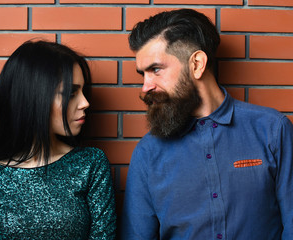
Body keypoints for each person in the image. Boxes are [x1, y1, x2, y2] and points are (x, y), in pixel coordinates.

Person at [121, 8, 293, 240]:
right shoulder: (147, 153)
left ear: (197, 64)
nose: (145, 87)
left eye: (156, 69)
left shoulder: (272, 130)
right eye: (143, 74)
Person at [0, 40, 116, 239]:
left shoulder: (90, 164)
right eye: (71, 93)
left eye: (83, 91)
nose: (85, 102)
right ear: (34, 97)